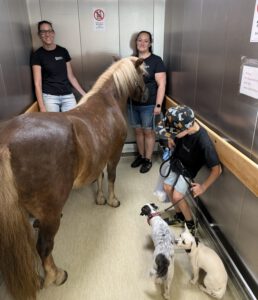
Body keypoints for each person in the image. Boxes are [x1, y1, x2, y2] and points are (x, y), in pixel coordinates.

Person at [157, 105, 222, 233]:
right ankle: (179, 217)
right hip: (177, 160)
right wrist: (171, 138)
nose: (172, 134)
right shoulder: (184, 127)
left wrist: (202, 187)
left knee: (177, 196)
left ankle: (191, 224)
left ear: (186, 129)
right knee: (167, 187)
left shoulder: (204, 142)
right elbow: (173, 131)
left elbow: (217, 170)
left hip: (188, 169)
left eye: (174, 133)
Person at [128, 31, 166, 173]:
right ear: (136, 42)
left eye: (145, 41)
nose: (142, 43)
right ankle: (141, 156)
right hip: (133, 104)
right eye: (139, 40)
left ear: (150, 43)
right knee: (138, 131)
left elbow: (162, 84)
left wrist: (158, 105)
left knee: (148, 132)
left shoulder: (156, 61)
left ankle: (148, 160)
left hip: (149, 104)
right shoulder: (131, 60)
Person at [31, 20, 86, 112]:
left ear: (53, 33)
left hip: (67, 95)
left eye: (49, 31)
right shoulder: (37, 55)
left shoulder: (63, 51)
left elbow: (71, 77)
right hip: (50, 97)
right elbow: (38, 83)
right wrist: (42, 107)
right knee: (53, 125)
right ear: (39, 34)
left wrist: (85, 94)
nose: (47, 34)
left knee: (72, 121)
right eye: (43, 32)